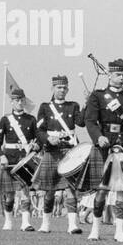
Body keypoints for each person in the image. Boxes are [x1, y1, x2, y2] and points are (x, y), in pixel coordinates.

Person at [81, 59, 123, 243]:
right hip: (103, 145)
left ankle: (120, 231)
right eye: (117, 74)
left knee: (122, 190)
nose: (121, 77)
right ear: (109, 75)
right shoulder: (97, 96)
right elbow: (90, 121)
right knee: (102, 190)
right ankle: (95, 229)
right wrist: (98, 136)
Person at [33, 74, 85, 235]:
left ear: (68, 89)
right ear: (53, 88)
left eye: (64, 87)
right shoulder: (45, 107)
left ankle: (72, 225)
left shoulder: (73, 106)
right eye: (58, 87)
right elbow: (39, 130)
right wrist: (48, 139)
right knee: (49, 190)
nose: (61, 90)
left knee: (70, 189)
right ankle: (46, 224)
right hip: (51, 151)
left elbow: (81, 122)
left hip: (69, 150)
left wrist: (88, 105)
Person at [0, 89, 38, 231]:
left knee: (25, 192)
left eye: (22, 100)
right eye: (16, 100)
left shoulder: (31, 119)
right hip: (9, 159)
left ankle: (25, 223)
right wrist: (1, 156)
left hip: (25, 159)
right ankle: (8, 221)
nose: (19, 102)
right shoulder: (5, 120)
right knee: (9, 194)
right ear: (12, 102)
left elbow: (39, 139)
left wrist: (36, 147)